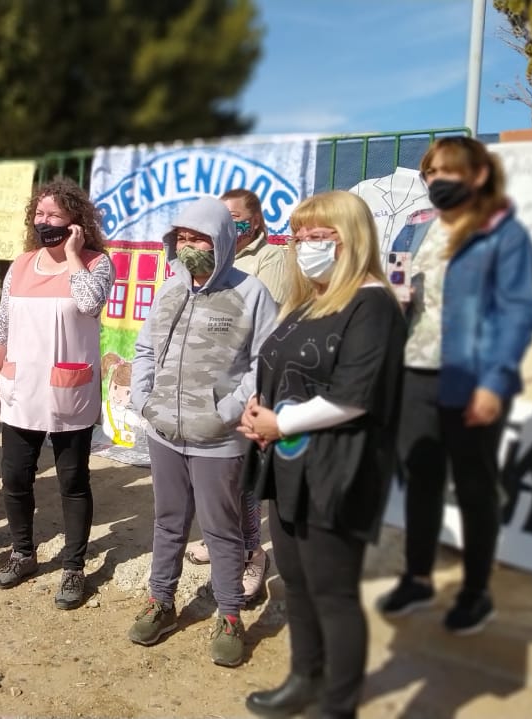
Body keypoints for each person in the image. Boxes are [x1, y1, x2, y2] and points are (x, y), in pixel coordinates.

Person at [237, 191, 406, 719]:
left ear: (351, 239)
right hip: (289, 465)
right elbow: (283, 367)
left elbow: (355, 394)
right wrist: (255, 407)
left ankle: (338, 703)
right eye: (301, 235)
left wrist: (280, 422)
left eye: (320, 236)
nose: (306, 245)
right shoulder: (310, 299)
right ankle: (304, 678)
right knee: (297, 579)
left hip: (340, 469)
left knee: (332, 591)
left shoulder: (372, 303)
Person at [377, 136, 532, 635]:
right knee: (421, 480)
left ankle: (475, 592)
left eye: (449, 171)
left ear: (478, 177)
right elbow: (396, 289)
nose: (437, 182)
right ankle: (419, 576)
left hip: (472, 378)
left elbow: (516, 315)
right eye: (430, 173)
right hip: (414, 374)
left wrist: (493, 384)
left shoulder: (502, 236)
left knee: (473, 486)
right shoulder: (414, 231)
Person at [125, 197, 277, 668]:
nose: (189, 247)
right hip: (166, 433)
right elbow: (146, 348)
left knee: (222, 532)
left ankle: (229, 614)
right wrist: (143, 399)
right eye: (182, 238)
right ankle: (160, 601)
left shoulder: (252, 294)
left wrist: (228, 412)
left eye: (199, 238)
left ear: (224, 241)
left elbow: (264, 365)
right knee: (168, 522)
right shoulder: (170, 290)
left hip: (220, 440)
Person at [0, 178, 114, 611]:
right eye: (39, 214)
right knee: (15, 477)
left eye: (54, 215)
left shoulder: (96, 263)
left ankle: (74, 566)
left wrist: (73, 256)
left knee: (73, 481)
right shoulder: (20, 265)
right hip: (21, 390)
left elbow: (91, 304)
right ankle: (23, 553)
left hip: (68, 393)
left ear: (77, 220)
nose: (44, 222)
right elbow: (1, 326)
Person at [185, 188, 291, 600]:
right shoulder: (211, 259)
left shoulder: (272, 261)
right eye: (223, 218)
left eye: (237, 218)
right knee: (216, 476)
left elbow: (266, 327)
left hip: (252, 384)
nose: (230, 225)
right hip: (210, 381)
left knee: (244, 476)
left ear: (257, 221)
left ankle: (252, 554)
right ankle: (221, 540)